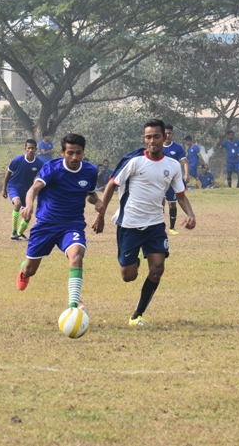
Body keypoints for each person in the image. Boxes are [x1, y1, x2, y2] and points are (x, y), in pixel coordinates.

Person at [92, 119, 196, 327]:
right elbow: (112, 186)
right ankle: (134, 261)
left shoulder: (173, 165)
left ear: (164, 137)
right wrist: (101, 215)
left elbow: (180, 195)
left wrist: (191, 214)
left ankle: (137, 315)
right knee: (128, 276)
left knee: (157, 268)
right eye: (148, 137)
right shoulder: (134, 162)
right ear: (144, 139)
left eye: (156, 136)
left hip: (155, 225)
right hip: (129, 224)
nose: (152, 141)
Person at [16, 134, 101, 312]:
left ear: (83, 152)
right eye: (70, 153)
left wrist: (98, 202)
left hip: (73, 224)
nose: (75, 158)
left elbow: (89, 193)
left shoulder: (90, 171)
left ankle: (73, 304)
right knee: (31, 269)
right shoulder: (52, 168)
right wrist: (29, 205)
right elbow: (34, 188)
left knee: (77, 256)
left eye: (78, 153)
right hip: (46, 224)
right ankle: (24, 270)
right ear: (62, 152)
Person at [1, 139, 44, 241]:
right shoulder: (17, 160)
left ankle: (19, 234)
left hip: (27, 191)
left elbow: (43, 178)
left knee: (28, 215)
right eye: (28, 148)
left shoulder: (39, 164)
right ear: (25, 149)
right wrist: (4, 189)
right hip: (14, 186)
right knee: (17, 204)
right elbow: (8, 173)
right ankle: (14, 232)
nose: (30, 150)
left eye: (32, 148)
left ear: (35, 149)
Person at [162, 124, 189, 234]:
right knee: (159, 204)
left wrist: (186, 174)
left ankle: (172, 228)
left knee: (172, 204)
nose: (167, 135)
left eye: (169, 133)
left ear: (173, 135)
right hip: (160, 180)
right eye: (166, 133)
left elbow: (184, 162)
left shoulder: (178, 147)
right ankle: (158, 227)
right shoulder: (158, 146)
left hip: (173, 181)